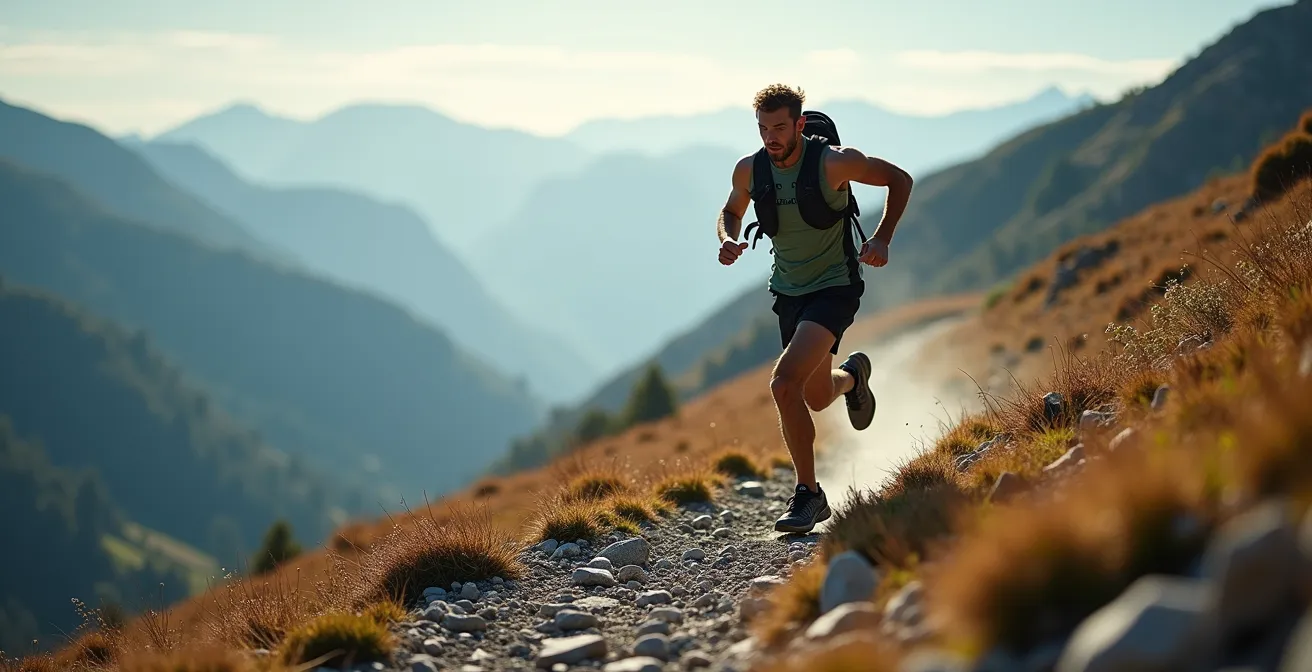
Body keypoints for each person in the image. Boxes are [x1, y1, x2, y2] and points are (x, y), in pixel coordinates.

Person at [716, 83, 913, 534]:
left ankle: (809, 494)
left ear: (800, 124)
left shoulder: (833, 162)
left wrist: (882, 238)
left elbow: (899, 179)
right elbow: (730, 211)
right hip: (789, 292)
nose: (772, 137)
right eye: (764, 128)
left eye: (781, 127)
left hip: (835, 286)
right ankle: (854, 377)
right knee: (816, 395)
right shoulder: (750, 170)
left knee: (784, 384)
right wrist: (727, 238)